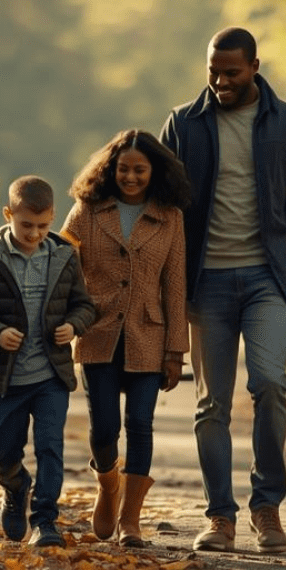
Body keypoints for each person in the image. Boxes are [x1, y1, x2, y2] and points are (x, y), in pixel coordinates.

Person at [158, 26, 286, 554]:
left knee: (269, 386)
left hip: (267, 278)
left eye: (232, 72)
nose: (221, 81)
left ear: (255, 67)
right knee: (210, 405)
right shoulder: (183, 124)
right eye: (213, 71)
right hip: (207, 283)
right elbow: (159, 209)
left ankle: (266, 508)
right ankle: (220, 517)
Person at [60, 129, 192, 547]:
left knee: (140, 423)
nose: (131, 177)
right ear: (110, 169)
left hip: (149, 335)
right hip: (97, 333)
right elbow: (62, 267)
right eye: (123, 169)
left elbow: (175, 286)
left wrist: (176, 351)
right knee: (103, 430)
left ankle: (131, 520)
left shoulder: (170, 217)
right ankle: (108, 485)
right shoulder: (86, 211)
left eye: (139, 169)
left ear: (154, 172)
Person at [0, 175, 97, 548]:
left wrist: (73, 326)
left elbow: (84, 306)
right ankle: (16, 487)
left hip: (51, 375)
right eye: (26, 225)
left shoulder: (65, 256)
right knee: (5, 452)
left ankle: (45, 520)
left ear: (53, 217)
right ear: (8, 215)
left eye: (43, 225)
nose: (35, 233)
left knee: (50, 447)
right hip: (9, 378)